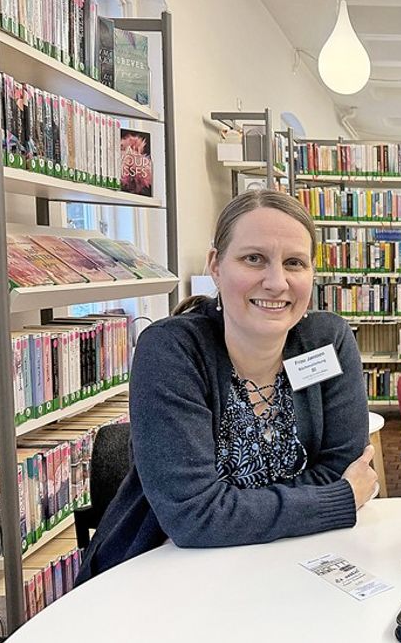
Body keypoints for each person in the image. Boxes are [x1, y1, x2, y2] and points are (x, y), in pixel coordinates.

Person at [76, 189, 377, 583]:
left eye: (294, 263)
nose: (276, 282)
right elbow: (193, 517)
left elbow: (345, 468)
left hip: (295, 563)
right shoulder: (171, 350)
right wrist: (334, 501)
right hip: (165, 573)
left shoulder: (328, 340)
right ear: (216, 266)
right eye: (254, 259)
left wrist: (232, 510)